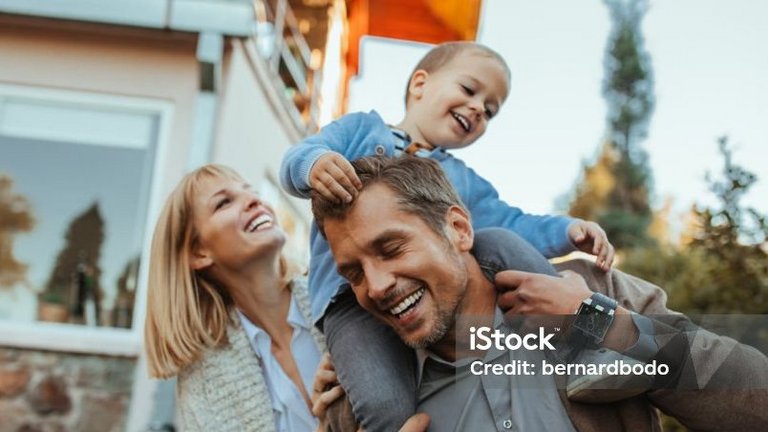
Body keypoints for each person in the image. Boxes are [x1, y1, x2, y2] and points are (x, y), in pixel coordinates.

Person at [280, 41, 615, 430]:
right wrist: (314, 165)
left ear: (458, 226)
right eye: (470, 90)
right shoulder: (359, 130)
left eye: (489, 110)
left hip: (571, 330)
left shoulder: (462, 181)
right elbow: (299, 155)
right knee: (382, 403)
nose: (478, 108)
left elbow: (512, 222)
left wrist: (566, 231)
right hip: (350, 306)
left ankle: (584, 344)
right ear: (420, 84)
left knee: (500, 242)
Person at [312, 155, 768, 431]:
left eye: (391, 249)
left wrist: (599, 323)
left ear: (458, 228)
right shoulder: (364, 398)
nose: (376, 286)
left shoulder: (589, 292)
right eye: (353, 273)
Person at [143, 164, 345, 432]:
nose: (254, 200)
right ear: (198, 252)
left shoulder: (337, 296)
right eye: (224, 203)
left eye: (250, 191)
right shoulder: (203, 382)